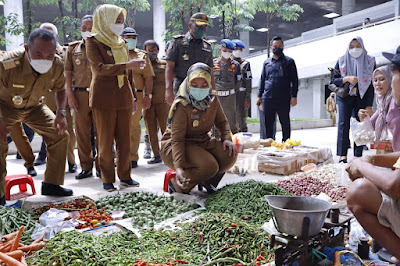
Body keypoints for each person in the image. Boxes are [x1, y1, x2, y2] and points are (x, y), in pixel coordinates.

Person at [0, 28, 74, 206]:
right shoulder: (8, 63)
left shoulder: (56, 65)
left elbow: (60, 89)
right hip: (5, 106)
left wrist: (61, 113)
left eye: (49, 54)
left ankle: (51, 184)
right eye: (38, 53)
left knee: (60, 135)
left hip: (35, 107)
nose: (44, 59)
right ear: (27, 48)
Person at [346, 47, 400, 263]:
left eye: (391, 75)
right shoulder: (384, 104)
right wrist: (372, 159)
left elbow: (396, 186)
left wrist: (361, 164)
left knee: (359, 192)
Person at [86, 4, 146, 192]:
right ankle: (107, 178)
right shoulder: (93, 41)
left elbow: (128, 75)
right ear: (105, 21)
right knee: (104, 141)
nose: (120, 25)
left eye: (121, 22)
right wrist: (128, 65)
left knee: (124, 140)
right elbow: (99, 69)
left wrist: (134, 96)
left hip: (124, 96)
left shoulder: (121, 42)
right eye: (116, 21)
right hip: (103, 97)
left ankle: (125, 176)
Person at [160, 63, 237, 194]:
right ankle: (177, 185)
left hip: (202, 141)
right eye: (194, 85)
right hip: (177, 145)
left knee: (229, 155)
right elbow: (177, 139)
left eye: (204, 85)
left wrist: (227, 139)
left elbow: (222, 122)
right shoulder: (182, 105)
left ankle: (207, 182)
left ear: (209, 85)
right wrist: (179, 167)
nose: (199, 89)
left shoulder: (212, 99)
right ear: (188, 84)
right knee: (209, 166)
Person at [35, 22, 77, 173]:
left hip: (64, 99)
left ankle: (71, 161)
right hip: (45, 99)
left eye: (49, 32)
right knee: (48, 133)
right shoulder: (36, 53)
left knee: (69, 133)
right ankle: (52, 165)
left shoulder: (67, 51)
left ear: (56, 36)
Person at [64, 15, 99, 180]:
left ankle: (102, 166)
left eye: (91, 27)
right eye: (85, 27)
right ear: (80, 29)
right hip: (79, 94)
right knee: (82, 133)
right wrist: (70, 95)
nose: (88, 30)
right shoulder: (73, 49)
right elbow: (68, 74)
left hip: (100, 94)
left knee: (102, 132)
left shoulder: (102, 46)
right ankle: (86, 167)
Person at [332, 36, 375, 163]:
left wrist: (369, 104)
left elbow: (372, 83)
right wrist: (346, 79)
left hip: (361, 97)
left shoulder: (370, 61)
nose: (354, 49)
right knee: (343, 124)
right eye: (351, 47)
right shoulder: (342, 60)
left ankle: (358, 155)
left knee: (360, 124)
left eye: (357, 46)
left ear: (362, 46)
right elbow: (334, 80)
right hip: (344, 96)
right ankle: (342, 155)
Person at [121, 27, 154, 168]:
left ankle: (132, 157)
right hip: (119, 95)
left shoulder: (142, 55)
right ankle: (121, 156)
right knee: (119, 127)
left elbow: (148, 77)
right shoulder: (115, 53)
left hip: (138, 95)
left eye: (134, 37)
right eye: (128, 37)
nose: (132, 40)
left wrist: (148, 95)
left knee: (134, 126)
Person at [165, 13, 214, 105]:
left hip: (201, 89)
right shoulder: (178, 42)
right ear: (190, 25)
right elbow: (169, 67)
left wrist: (213, 91)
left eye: (204, 27)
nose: (202, 29)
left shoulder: (207, 47)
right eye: (199, 26)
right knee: (180, 116)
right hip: (181, 86)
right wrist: (168, 90)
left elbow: (211, 70)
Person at [256, 36, 299, 142]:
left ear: (283, 46)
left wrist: (294, 96)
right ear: (271, 47)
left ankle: (286, 143)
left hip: (284, 97)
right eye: (275, 46)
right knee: (268, 123)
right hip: (268, 97)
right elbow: (262, 79)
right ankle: (270, 144)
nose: (277, 48)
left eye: (279, 46)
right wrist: (259, 96)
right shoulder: (266, 63)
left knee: (285, 122)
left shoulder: (289, 62)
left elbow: (295, 80)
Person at [359, 65, 400, 152]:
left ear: (390, 80)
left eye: (381, 79)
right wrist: (364, 118)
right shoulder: (382, 105)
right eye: (375, 80)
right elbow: (371, 126)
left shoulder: (397, 99)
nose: (377, 83)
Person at [143, 40, 170, 164]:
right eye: (148, 50)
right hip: (148, 103)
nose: (151, 52)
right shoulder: (142, 65)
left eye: (153, 49)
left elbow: (171, 80)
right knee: (151, 130)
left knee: (166, 129)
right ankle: (156, 154)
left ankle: (167, 153)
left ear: (158, 50)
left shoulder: (165, 64)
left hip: (163, 102)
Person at [213, 39, 241, 134]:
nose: (227, 53)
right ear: (220, 50)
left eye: (229, 52)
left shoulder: (235, 65)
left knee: (231, 121)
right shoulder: (213, 64)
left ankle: (233, 141)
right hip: (217, 97)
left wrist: (231, 91)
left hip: (230, 98)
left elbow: (238, 82)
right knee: (215, 119)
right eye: (225, 51)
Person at [232, 39, 252, 132]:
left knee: (241, 116)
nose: (238, 51)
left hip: (241, 94)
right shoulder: (226, 63)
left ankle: (243, 135)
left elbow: (248, 80)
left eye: (240, 49)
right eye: (236, 49)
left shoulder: (245, 64)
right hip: (230, 94)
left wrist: (247, 97)